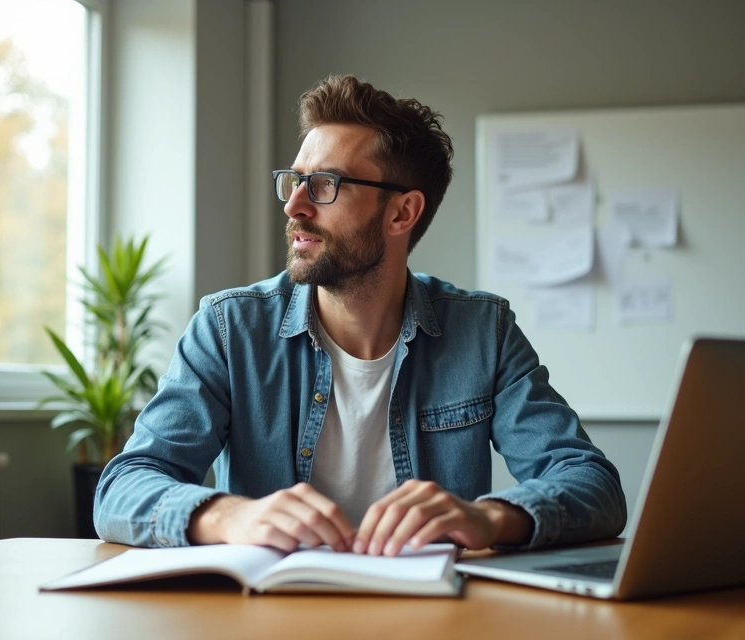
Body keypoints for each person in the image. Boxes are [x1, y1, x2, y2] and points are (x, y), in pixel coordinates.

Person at [94, 75, 626, 556]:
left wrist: (489, 518)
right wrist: (230, 516)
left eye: (325, 184)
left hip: (433, 612)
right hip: (270, 611)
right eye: (295, 180)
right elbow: (122, 487)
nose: (294, 206)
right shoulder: (229, 330)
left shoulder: (484, 333)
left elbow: (592, 483)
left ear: (402, 212)